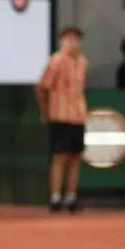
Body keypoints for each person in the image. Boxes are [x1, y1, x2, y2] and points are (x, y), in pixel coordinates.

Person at [35, 26, 88, 213]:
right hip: (60, 114)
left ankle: (71, 196)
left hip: (79, 115)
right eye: (69, 38)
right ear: (62, 41)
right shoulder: (56, 61)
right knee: (60, 156)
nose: (73, 42)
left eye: (76, 39)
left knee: (75, 156)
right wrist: (46, 110)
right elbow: (41, 87)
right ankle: (55, 197)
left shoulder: (82, 61)